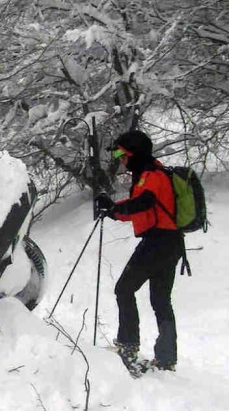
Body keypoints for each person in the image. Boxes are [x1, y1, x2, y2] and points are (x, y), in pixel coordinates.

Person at [95, 130, 185, 373]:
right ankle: (166, 359)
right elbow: (144, 208)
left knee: (124, 289)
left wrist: (113, 209)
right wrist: (114, 210)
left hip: (159, 243)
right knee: (160, 300)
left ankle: (128, 347)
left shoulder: (151, 175)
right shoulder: (151, 173)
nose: (120, 159)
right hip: (169, 243)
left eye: (122, 153)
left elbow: (143, 203)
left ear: (134, 153)